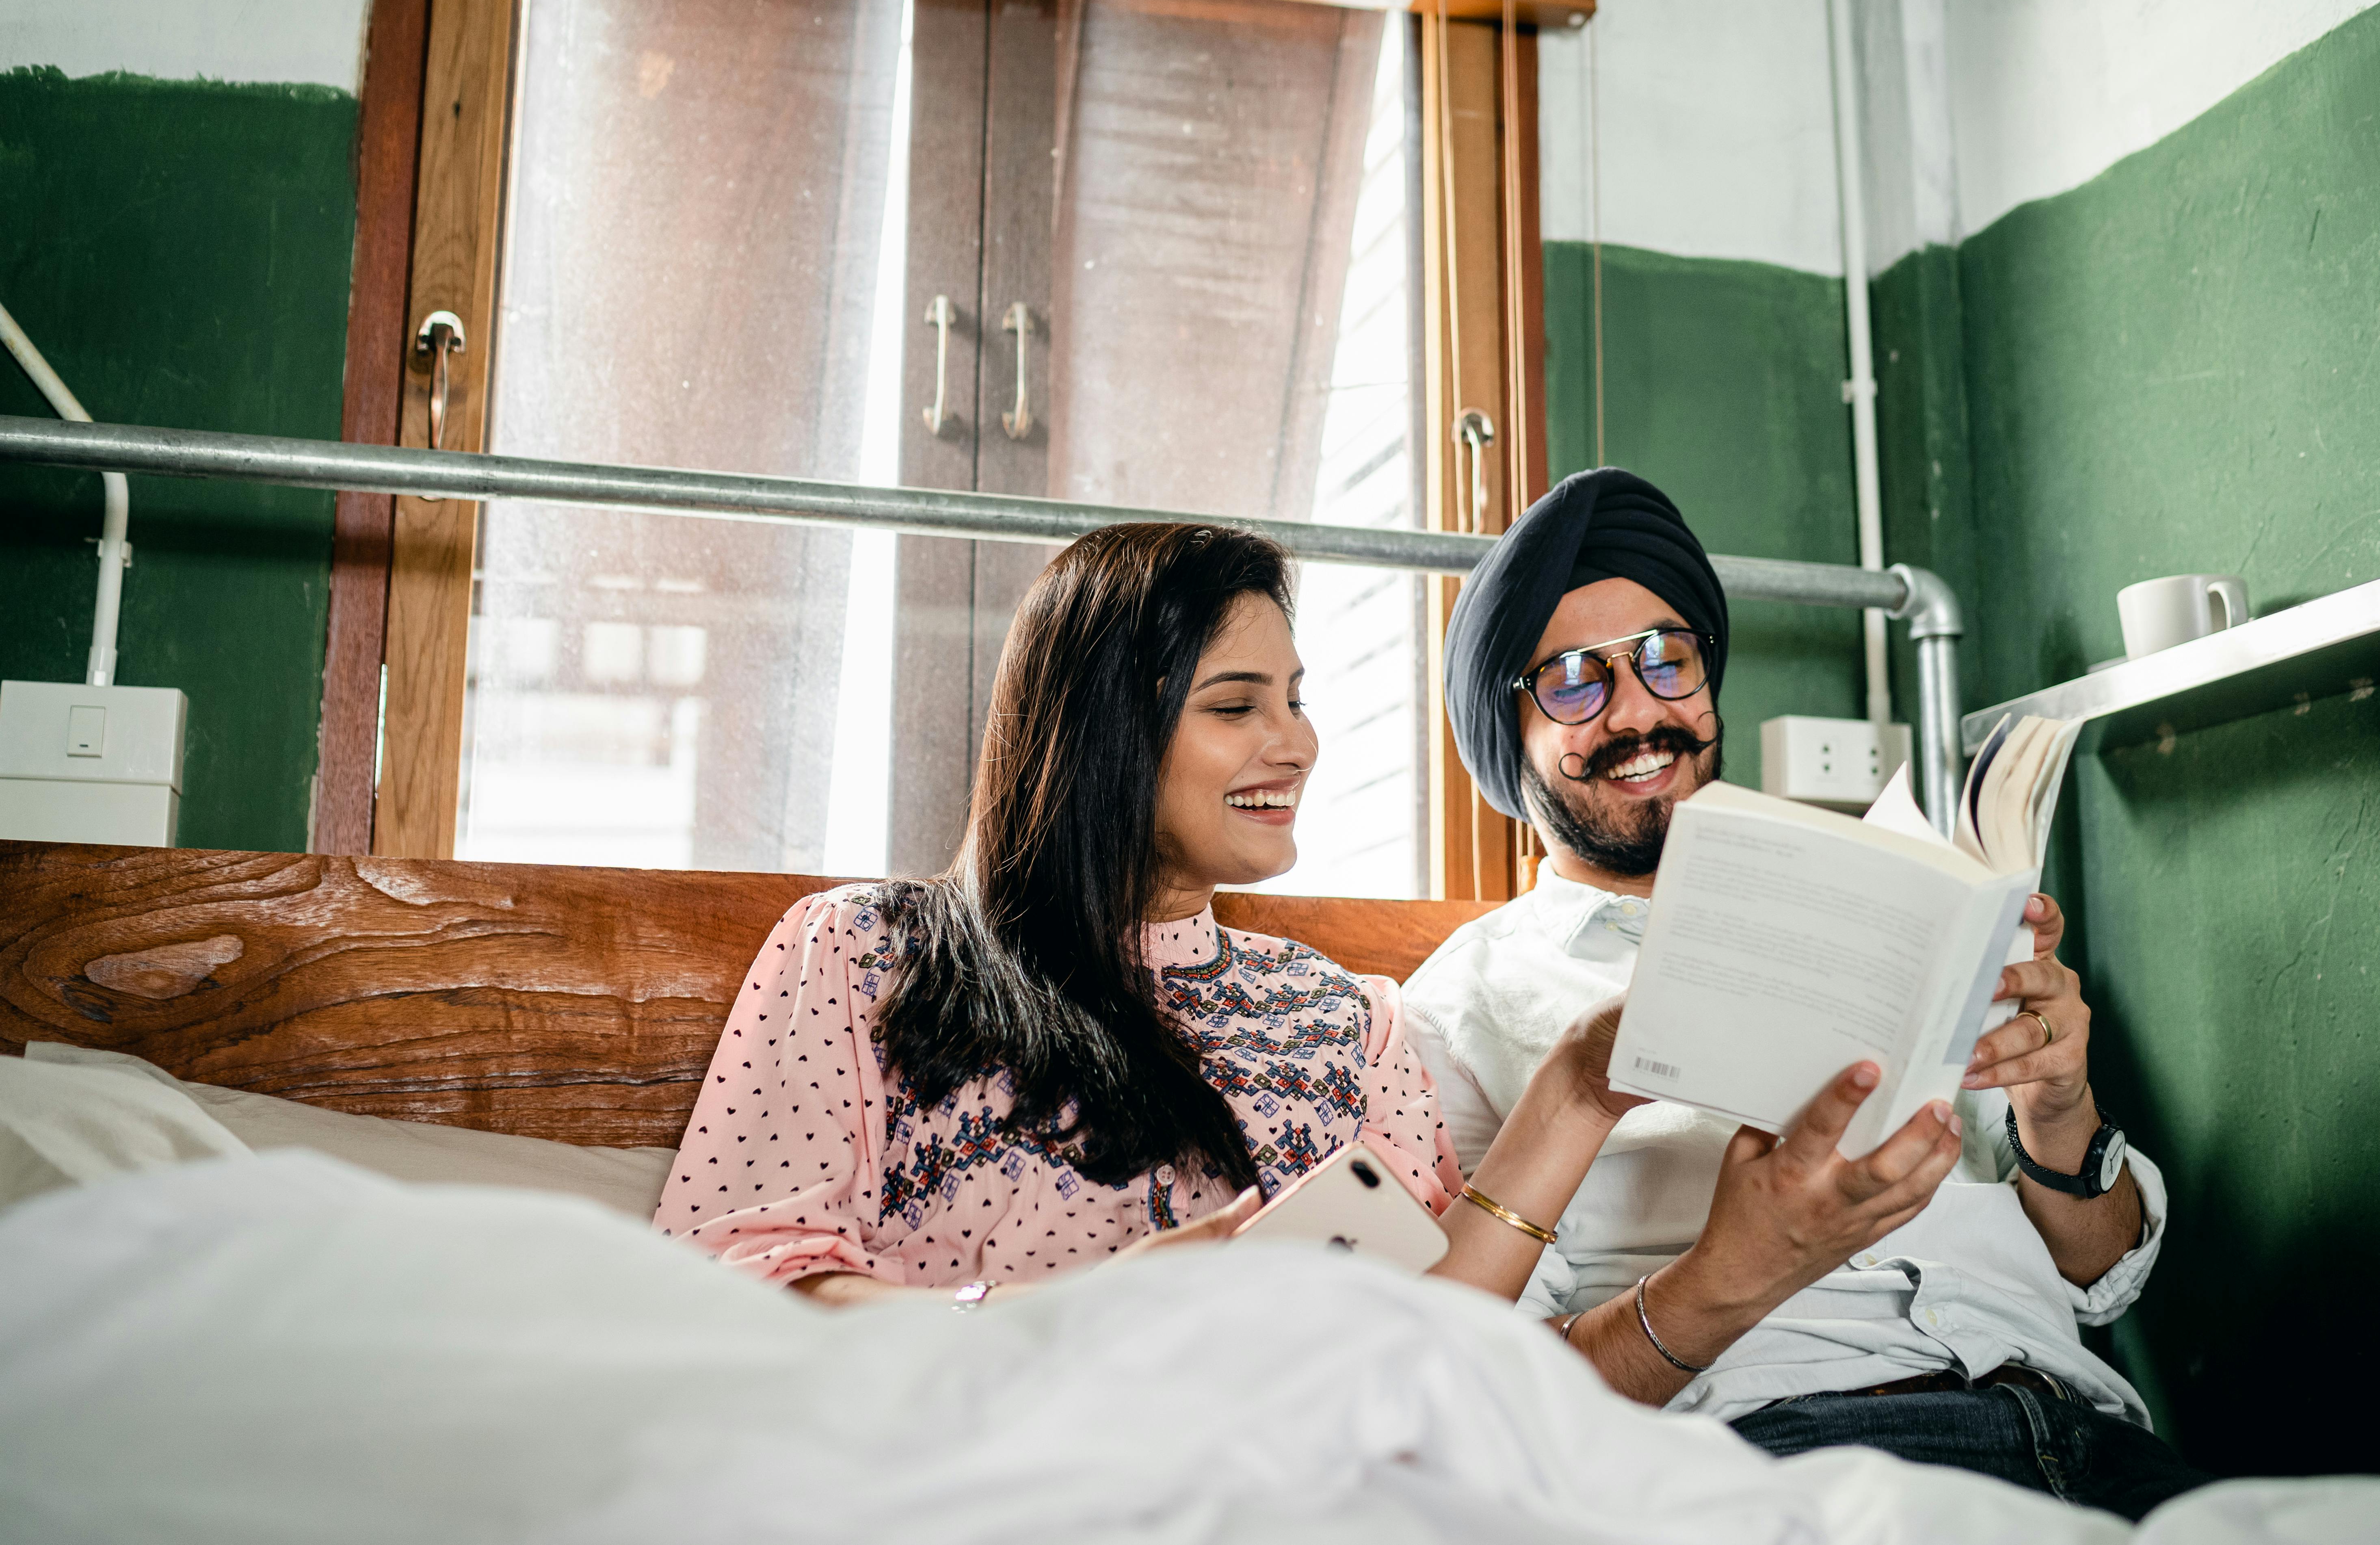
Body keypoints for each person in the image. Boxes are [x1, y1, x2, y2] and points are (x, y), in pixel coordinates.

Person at [1401, 468, 2209, 1521]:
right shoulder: (1458, 1006)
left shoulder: (1889, 900)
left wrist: (2058, 1111)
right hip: (1786, 1450)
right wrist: (1727, 1269)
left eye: (1665, 659)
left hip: (2088, 1435)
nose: (1639, 711)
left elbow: (2100, 1274)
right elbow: (1486, 1387)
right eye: (1572, 680)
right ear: (1503, 731)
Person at [657, 521, 1638, 1312]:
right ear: (1102, 734)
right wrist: (1046, 1330)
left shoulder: (1347, 1019)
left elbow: (1438, 1322)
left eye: (1294, 701)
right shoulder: (864, 952)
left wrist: (1581, 1088)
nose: (1294, 744)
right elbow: (739, 1269)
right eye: (1234, 706)